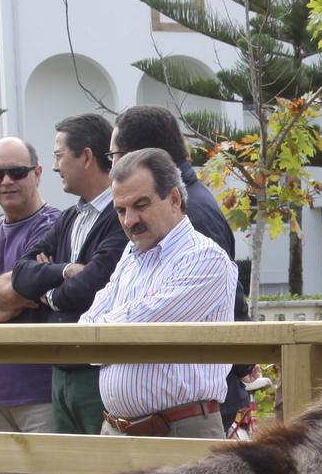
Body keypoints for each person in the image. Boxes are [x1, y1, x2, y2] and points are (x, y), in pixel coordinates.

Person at [110, 105, 256, 434]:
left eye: (115, 155)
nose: (130, 219)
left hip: (183, 418)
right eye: (122, 210)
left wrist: (244, 360)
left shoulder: (193, 217)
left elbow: (150, 319)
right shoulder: (149, 230)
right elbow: (97, 322)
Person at [81, 148, 236, 439]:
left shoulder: (206, 258)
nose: (129, 221)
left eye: (141, 205)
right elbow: (85, 337)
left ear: (175, 199)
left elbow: (139, 329)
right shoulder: (131, 253)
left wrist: (105, 331)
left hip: (181, 431)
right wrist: (106, 331)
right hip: (115, 431)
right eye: (121, 210)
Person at [12, 114, 128, 435]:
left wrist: (47, 294)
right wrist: (63, 270)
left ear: (87, 156)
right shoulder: (68, 219)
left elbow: (92, 287)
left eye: (59, 155)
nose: (54, 166)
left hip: (97, 372)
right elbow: (20, 274)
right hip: (60, 370)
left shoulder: (121, 216)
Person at [0, 138, 61, 433]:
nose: (6, 181)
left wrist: (10, 294)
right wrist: (2, 303)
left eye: (17, 172)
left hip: (40, 394)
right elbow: (14, 293)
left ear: (37, 173)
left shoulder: (56, 227)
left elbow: (17, 291)